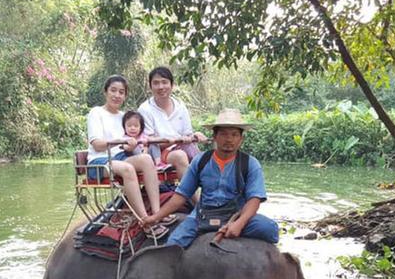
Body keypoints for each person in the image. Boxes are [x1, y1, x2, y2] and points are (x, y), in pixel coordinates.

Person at [142, 108, 279, 248]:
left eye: (234, 134)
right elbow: (181, 195)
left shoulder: (250, 163)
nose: (229, 139)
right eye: (224, 134)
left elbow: (254, 199)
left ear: (241, 139)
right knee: (172, 245)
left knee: (271, 229)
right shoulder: (200, 161)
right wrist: (155, 217)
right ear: (214, 136)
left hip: (235, 214)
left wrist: (239, 223)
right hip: (202, 216)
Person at [86, 75, 167, 236]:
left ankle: (157, 214)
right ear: (105, 92)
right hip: (100, 161)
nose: (117, 95)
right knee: (128, 169)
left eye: (121, 92)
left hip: (121, 157)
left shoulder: (125, 117)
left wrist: (133, 144)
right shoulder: (96, 113)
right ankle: (145, 220)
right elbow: (97, 144)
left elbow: (131, 141)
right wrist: (120, 141)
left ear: (125, 95)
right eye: (113, 91)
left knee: (146, 159)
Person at [138, 66, 207, 179]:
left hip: (183, 148)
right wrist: (175, 140)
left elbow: (187, 134)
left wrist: (195, 135)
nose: (161, 87)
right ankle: (195, 196)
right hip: (158, 155)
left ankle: (215, 191)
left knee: (205, 157)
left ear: (171, 85)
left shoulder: (180, 106)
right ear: (150, 86)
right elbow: (148, 141)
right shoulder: (145, 109)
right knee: (180, 156)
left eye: (164, 82)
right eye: (156, 83)